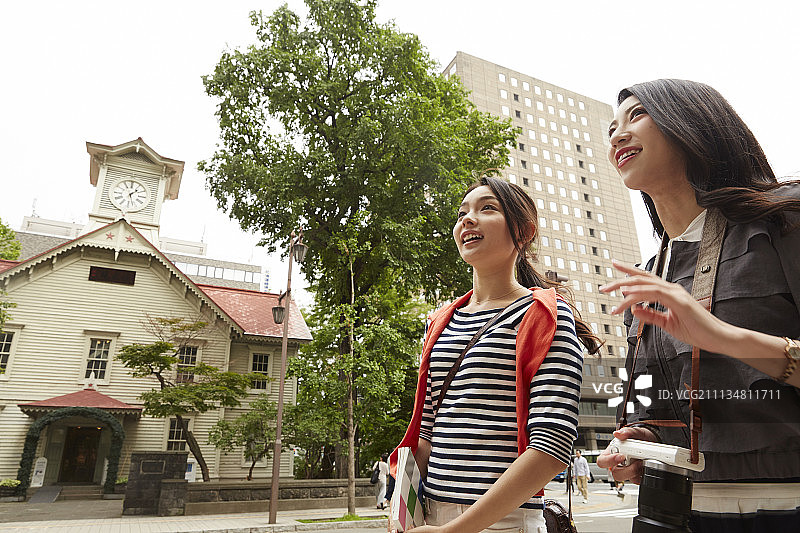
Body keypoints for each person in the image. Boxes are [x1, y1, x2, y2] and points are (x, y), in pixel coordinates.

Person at [596, 79, 800, 532]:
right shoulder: (646, 276)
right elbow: (649, 403)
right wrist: (640, 441)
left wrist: (723, 337)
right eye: (612, 127)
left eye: (636, 115)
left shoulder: (785, 220)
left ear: (690, 122)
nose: (617, 135)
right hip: (671, 513)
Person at [390, 176, 601, 533]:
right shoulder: (441, 321)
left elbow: (551, 448)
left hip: (503, 522)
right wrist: (404, 511)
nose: (467, 220)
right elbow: (426, 435)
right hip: (429, 518)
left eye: (487, 208)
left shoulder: (545, 314)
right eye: (461, 213)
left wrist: (454, 530)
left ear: (524, 231)